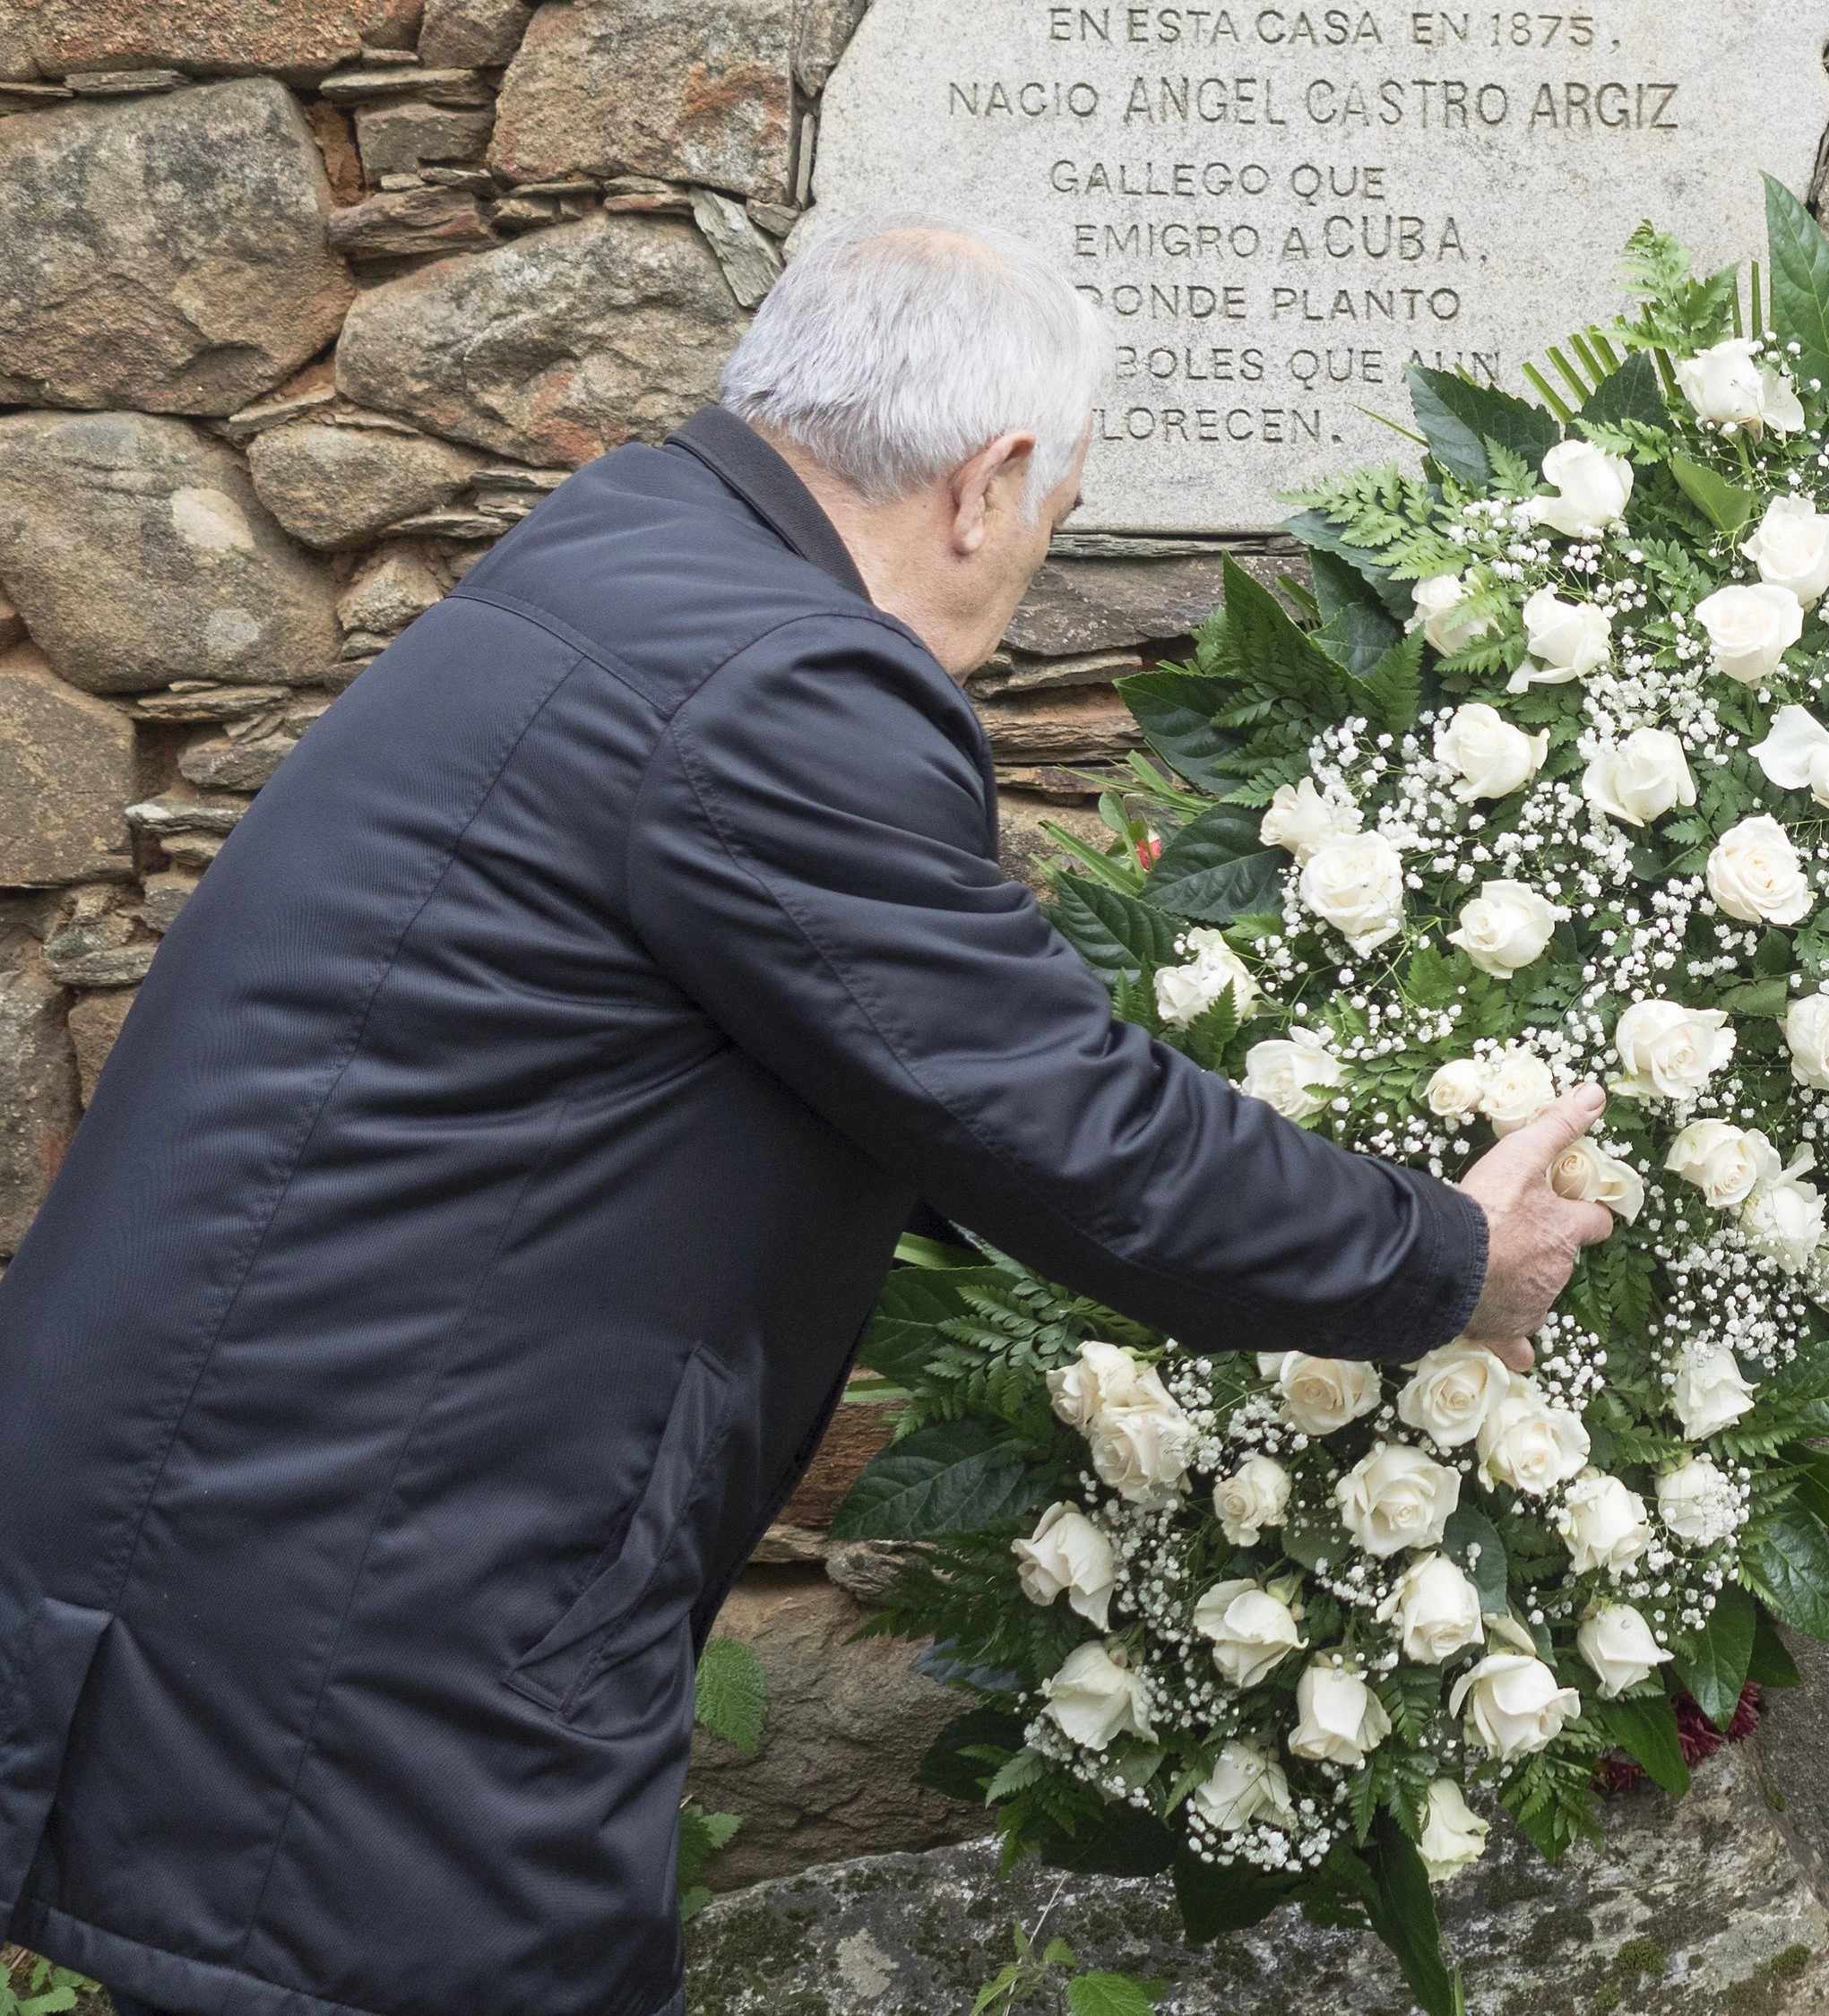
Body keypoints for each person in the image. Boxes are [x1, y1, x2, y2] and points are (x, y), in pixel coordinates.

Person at [0, 219, 1617, 2016]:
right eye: (1061, 516)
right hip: (367, 1596)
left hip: (263, 1519)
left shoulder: (632, 555)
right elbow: (1062, 1128)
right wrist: (1445, 1257)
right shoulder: (781, 688)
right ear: (989, 484)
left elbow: (807, 1056)